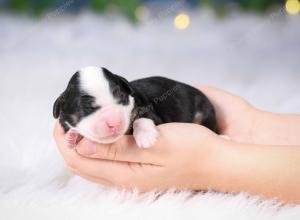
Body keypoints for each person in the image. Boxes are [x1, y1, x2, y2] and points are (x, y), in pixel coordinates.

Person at [53, 85, 300, 204]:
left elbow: (148, 121)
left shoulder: (140, 107)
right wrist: (252, 124)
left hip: (197, 111)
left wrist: (216, 163)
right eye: (89, 109)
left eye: (117, 102)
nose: (112, 121)